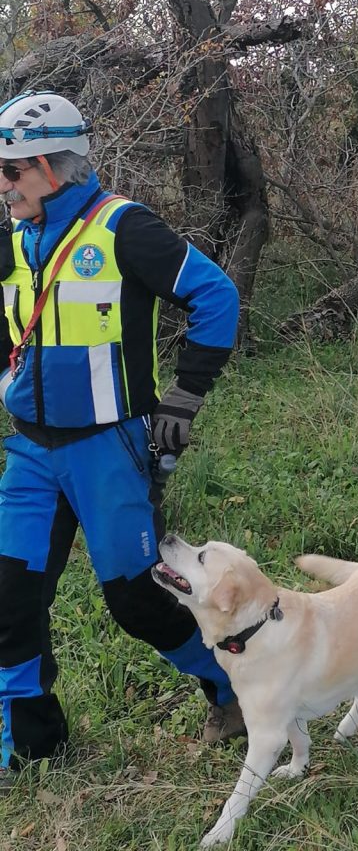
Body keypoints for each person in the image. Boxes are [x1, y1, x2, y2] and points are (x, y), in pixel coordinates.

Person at [0, 90, 245, 790]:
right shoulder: (17, 239)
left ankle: (235, 689)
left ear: (51, 167)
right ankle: (30, 750)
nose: (3, 186)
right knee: (9, 602)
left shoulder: (122, 227)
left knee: (137, 604)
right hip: (30, 456)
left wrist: (185, 396)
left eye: (11, 171)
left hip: (110, 452)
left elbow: (215, 295)